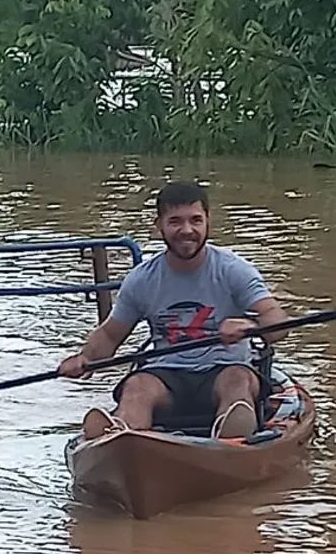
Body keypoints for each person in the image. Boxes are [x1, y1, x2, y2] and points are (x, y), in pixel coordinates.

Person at [58, 180, 291, 440]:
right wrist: (84, 359)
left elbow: (276, 318)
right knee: (136, 385)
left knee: (238, 379)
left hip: (224, 368)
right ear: (159, 226)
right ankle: (122, 436)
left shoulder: (234, 270)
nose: (187, 230)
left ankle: (231, 435)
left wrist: (252, 327)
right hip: (166, 374)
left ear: (207, 222)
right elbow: (111, 335)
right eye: (175, 221)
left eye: (195, 220)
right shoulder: (142, 280)